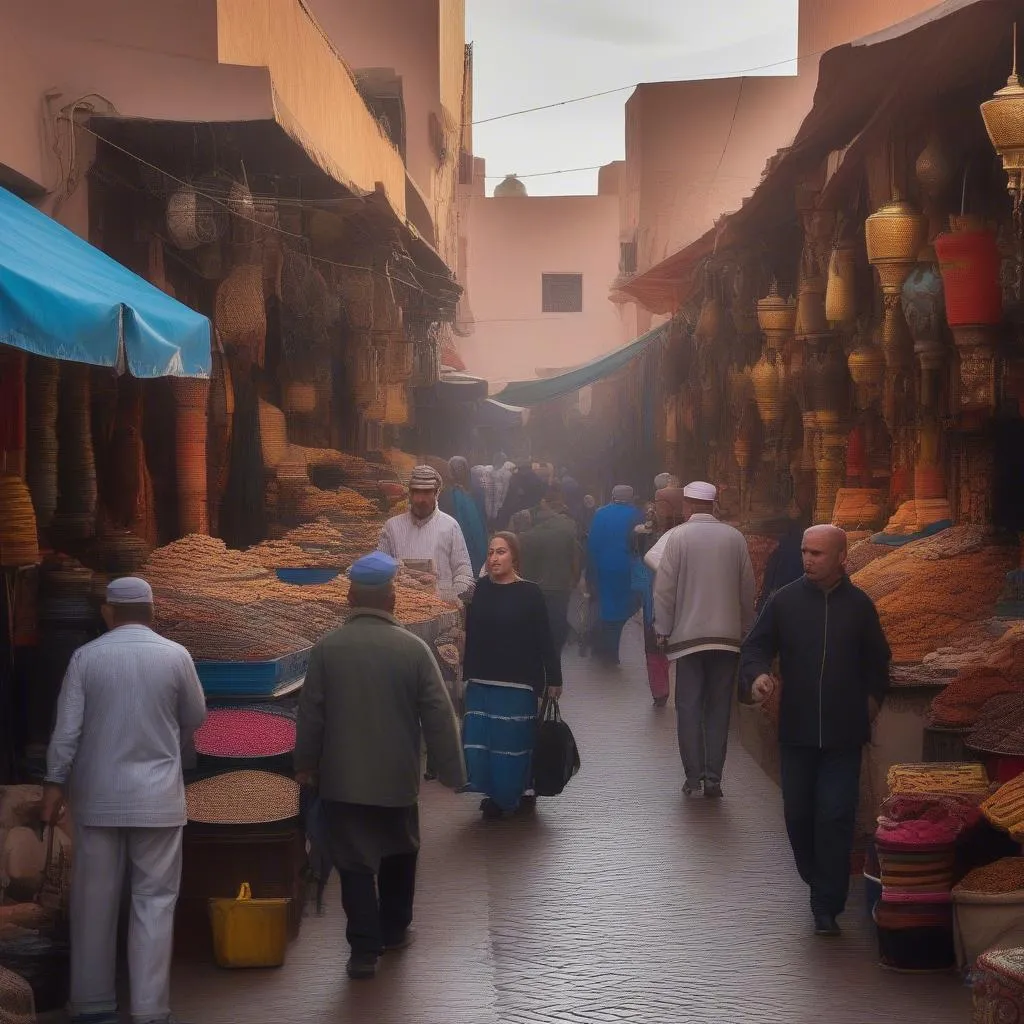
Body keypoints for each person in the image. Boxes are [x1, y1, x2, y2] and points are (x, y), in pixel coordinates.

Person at [42, 577, 207, 1024]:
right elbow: (196, 715)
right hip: (158, 799)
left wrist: (54, 784)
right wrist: (167, 744)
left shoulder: (86, 658)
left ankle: (94, 1002)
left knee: (93, 900)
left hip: (97, 799)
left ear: (108, 613)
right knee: (154, 901)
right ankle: (151, 1009)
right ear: (153, 613)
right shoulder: (176, 656)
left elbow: (66, 731)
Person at [294, 553, 466, 980]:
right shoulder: (414, 650)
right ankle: (394, 930)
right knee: (399, 850)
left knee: (353, 863)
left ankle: (364, 952)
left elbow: (310, 714)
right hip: (396, 780)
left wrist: (305, 765)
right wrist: (452, 771)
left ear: (350, 598)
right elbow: (439, 716)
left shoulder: (326, 650)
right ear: (392, 599)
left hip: (343, 782)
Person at [740, 525, 890, 938]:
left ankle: (826, 902)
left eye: (818, 553)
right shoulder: (784, 601)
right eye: (805, 551)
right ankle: (815, 877)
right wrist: (756, 678)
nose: (807, 559)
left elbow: (879, 663)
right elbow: (754, 648)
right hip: (797, 731)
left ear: (842, 557)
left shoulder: (860, 607)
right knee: (799, 815)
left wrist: (871, 704)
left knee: (837, 814)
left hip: (844, 734)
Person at [652, 481, 755, 798]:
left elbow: (665, 589)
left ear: (686, 505)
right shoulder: (735, 538)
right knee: (718, 708)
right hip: (726, 639)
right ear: (712, 505)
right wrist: (744, 627)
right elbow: (747, 588)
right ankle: (714, 778)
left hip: (688, 638)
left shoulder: (678, 537)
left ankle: (693, 777)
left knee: (689, 707)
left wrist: (663, 628)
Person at [463, 532, 563, 817]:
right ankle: (493, 793)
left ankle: (511, 795)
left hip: (518, 682)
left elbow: (545, 637)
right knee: (483, 742)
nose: (494, 558)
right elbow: (471, 634)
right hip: (482, 680)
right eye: (491, 552)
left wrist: (553, 678)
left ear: (514, 557)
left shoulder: (530, 593)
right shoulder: (480, 589)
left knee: (512, 743)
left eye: (501, 552)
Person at [378, 465, 475, 604]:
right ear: (410, 494)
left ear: (436, 493)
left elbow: (463, 570)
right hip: (400, 608)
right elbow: (379, 568)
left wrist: (453, 596)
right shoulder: (392, 526)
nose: (420, 499)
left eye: (426, 492)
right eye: (416, 492)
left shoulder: (450, 526)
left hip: (442, 609)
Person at [636, 486, 687, 707]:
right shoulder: (649, 530)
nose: (657, 508)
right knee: (654, 647)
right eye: (656, 504)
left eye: (662, 504)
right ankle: (660, 690)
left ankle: (682, 691)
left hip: (679, 599)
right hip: (653, 598)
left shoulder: (686, 533)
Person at [519, 483, 582, 653]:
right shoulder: (568, 526)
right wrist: (574, 581)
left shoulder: (524, 527)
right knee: (556, 633)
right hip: (559, 589)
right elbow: (575, 558)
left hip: (533, 589)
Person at [586, 485, 643, 666]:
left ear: (612, 496)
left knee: (606, 604)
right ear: (631, 497)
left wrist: (589, 572)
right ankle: (612, 648)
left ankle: (603, 647)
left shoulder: (600, 514)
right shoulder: (637, 515)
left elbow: (593, 544)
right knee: (621, 606)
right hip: (627, 566)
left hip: (604, 566)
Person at [448, 456, 488, 576]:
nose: (459, 472)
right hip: (469, 541)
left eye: (460, 469)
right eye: (457, 469)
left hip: (468, 539)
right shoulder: (458, 494)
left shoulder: (455, 493)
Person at [498, 461, 546, 530]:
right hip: (532, 506)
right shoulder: (534, 477)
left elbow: (515, 492)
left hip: (518, 507)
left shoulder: (516, 477)